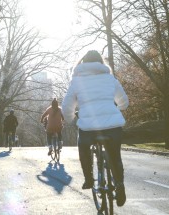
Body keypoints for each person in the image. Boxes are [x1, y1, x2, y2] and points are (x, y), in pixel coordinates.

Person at [62, 50, 129, 207]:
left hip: (89, 128)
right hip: (113, 127)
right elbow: (124, 102)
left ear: (83, 63)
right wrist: (117, 107)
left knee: (83, 147)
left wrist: (71, 119)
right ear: (101, 63)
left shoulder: (77, 81)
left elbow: (66, 106)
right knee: (115, 156)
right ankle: (119, 184)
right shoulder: (110, 78)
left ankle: (89, 179)